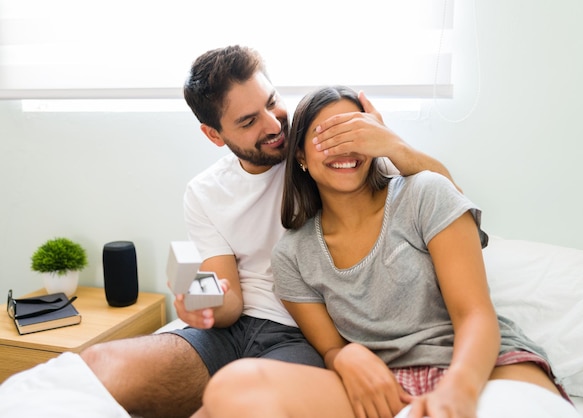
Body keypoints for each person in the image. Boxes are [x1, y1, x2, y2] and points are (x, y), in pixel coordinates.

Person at [79, 46, 459, 418]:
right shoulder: (205, 192)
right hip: (232, 330)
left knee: (234, 403)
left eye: (272, 101)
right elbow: (230, 302)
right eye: (248, 121)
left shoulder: (323, 148)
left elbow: (448, 202)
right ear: (214, 135)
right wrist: (202, 305)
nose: (274, 125)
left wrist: (390, 142)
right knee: (98, 364)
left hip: (301, 335)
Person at [194, 86, 582, 418]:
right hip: (385, 385)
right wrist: (342, 357)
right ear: (299, 156)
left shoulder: (425, 193)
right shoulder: (293, 254)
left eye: (354, 132)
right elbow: (329, 345)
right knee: (233, 388)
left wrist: (457, 392)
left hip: (482, 367)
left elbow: (474, 313)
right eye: (325, 135)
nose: (342, 145)